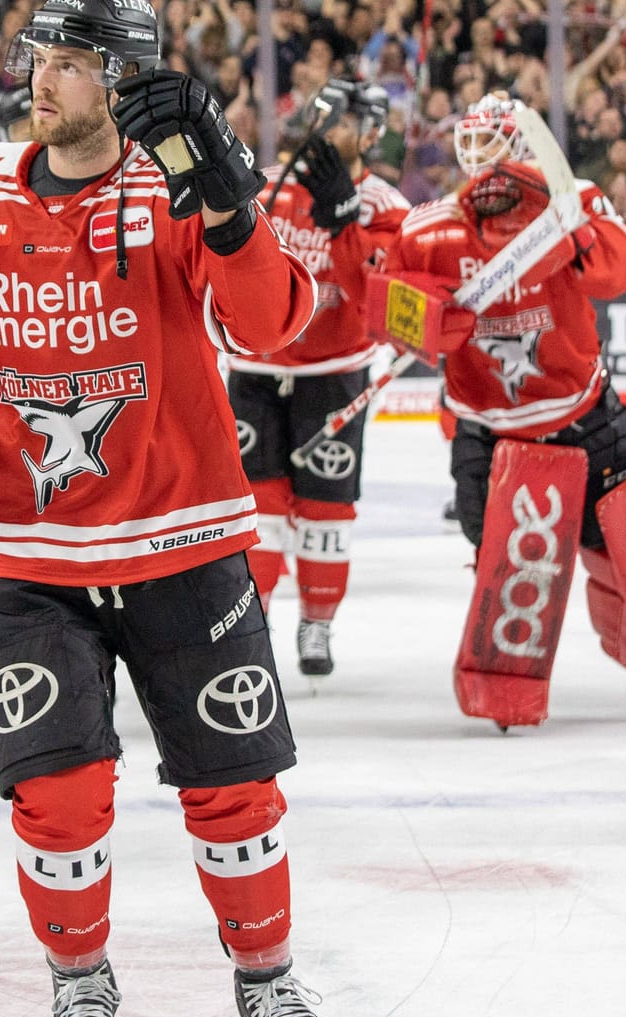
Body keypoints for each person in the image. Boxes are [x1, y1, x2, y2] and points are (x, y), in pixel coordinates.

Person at [0, 0, 342, 1017]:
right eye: (40, 57)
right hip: (28, 551)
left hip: (185, 538)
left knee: (235, 791)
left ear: (125, 81)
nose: (44, 81)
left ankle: (267, 977)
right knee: (57, 797)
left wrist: (227, 198)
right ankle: (80, 984)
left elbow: (272, 324)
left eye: (75, 64)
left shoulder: (180, 190)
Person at [384, 95, 626, 730]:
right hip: (489, 431)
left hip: (584, 411)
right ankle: (505, 680)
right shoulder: (426, 228)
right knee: (508, 560)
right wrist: (424, 317)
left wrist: (573, 233)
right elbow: (388, 314)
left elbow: (618, 271)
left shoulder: (577, 200)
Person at [230, 77, 408, 680]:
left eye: (346, 122)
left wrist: (344, 224)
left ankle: (318, 621)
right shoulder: (266, 186)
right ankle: (252, 624)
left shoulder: (384, 205)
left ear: (372, 132)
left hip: (334, 374)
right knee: (257, 505)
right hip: (256, 368)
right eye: (325, 117)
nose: (330, 130)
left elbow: (378, 299)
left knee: (326, 508)